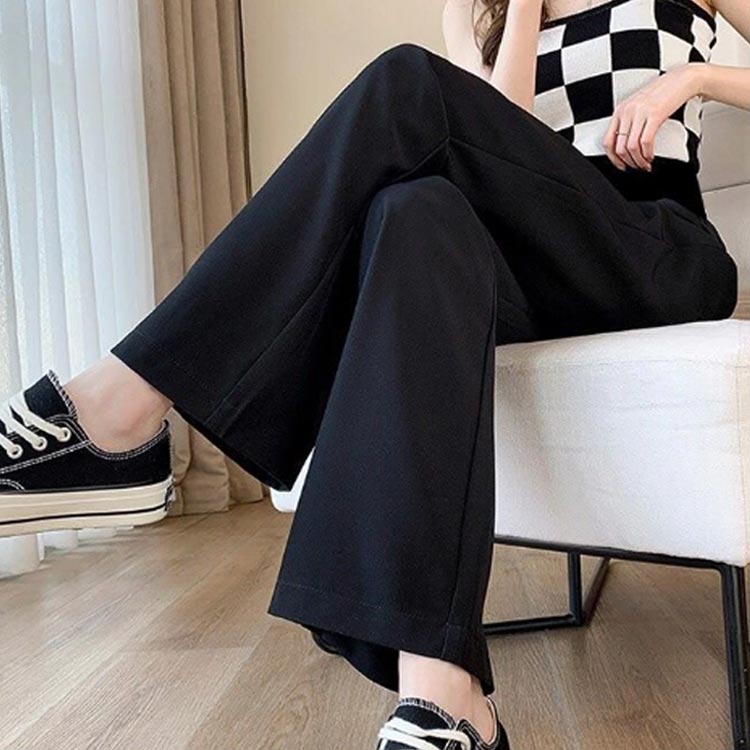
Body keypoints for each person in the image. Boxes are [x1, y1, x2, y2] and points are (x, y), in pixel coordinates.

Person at [1, 0, 749, 747]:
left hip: (653, 249)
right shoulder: (476, 13)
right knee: (418, 210)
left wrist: (693, 78)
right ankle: (446, 695)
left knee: (405, 84)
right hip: (540, 267)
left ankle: (120, 408)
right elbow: (503, 129)